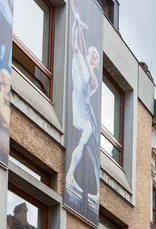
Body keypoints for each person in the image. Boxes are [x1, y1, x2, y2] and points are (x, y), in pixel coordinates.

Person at [65, 0, 101, 205]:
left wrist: (79, 25)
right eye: (93, 53)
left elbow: (89, 87)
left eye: (96, 54)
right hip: (79, 107)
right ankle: (70, 174)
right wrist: (76, 24)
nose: (95, 55)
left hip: (88, 112)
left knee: (93, 153)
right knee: (84, 141)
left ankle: (95, 192)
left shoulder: (94, 79)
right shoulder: (80, 61)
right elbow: (74, 44)